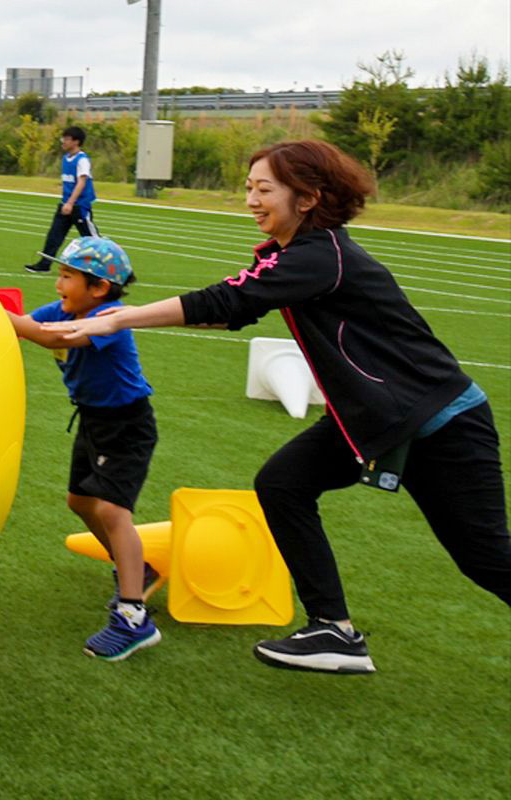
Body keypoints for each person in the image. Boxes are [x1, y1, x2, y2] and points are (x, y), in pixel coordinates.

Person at [46, 140, 511, 674]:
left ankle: (334, 630)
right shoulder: (297, 256)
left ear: (309, 198)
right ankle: (334, 631)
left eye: (264, 189)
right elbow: (233, 314)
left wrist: (116, 317)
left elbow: (228, 300)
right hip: (372, 420)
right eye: (248, 188)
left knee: (485, 558)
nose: (251, 200)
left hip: (437, 421)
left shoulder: (322, 255)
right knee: (283, 483)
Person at [6, 235, 162, 661]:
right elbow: (25, 328)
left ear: (99, 289)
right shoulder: (61, 310)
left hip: (127, 424)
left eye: (68, 276)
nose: (59, 284)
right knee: (80, 501)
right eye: (60, 273)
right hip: (94, 421)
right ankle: (138, 569)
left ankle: (133, 617)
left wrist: (2, 315)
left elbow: (55, 339)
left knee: (112, 510)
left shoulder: (109, 317)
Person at [25, 125, 98, 273]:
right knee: (54, 235)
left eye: (67, 139)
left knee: (92, 238)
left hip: (79, 206)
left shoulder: (82, 160)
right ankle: (45, 264)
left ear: (76, 142)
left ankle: (103, 264)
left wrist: (71, 203)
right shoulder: (66, 158)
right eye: (63, 138)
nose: (63, 141)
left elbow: (82, 182)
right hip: (66, 205)